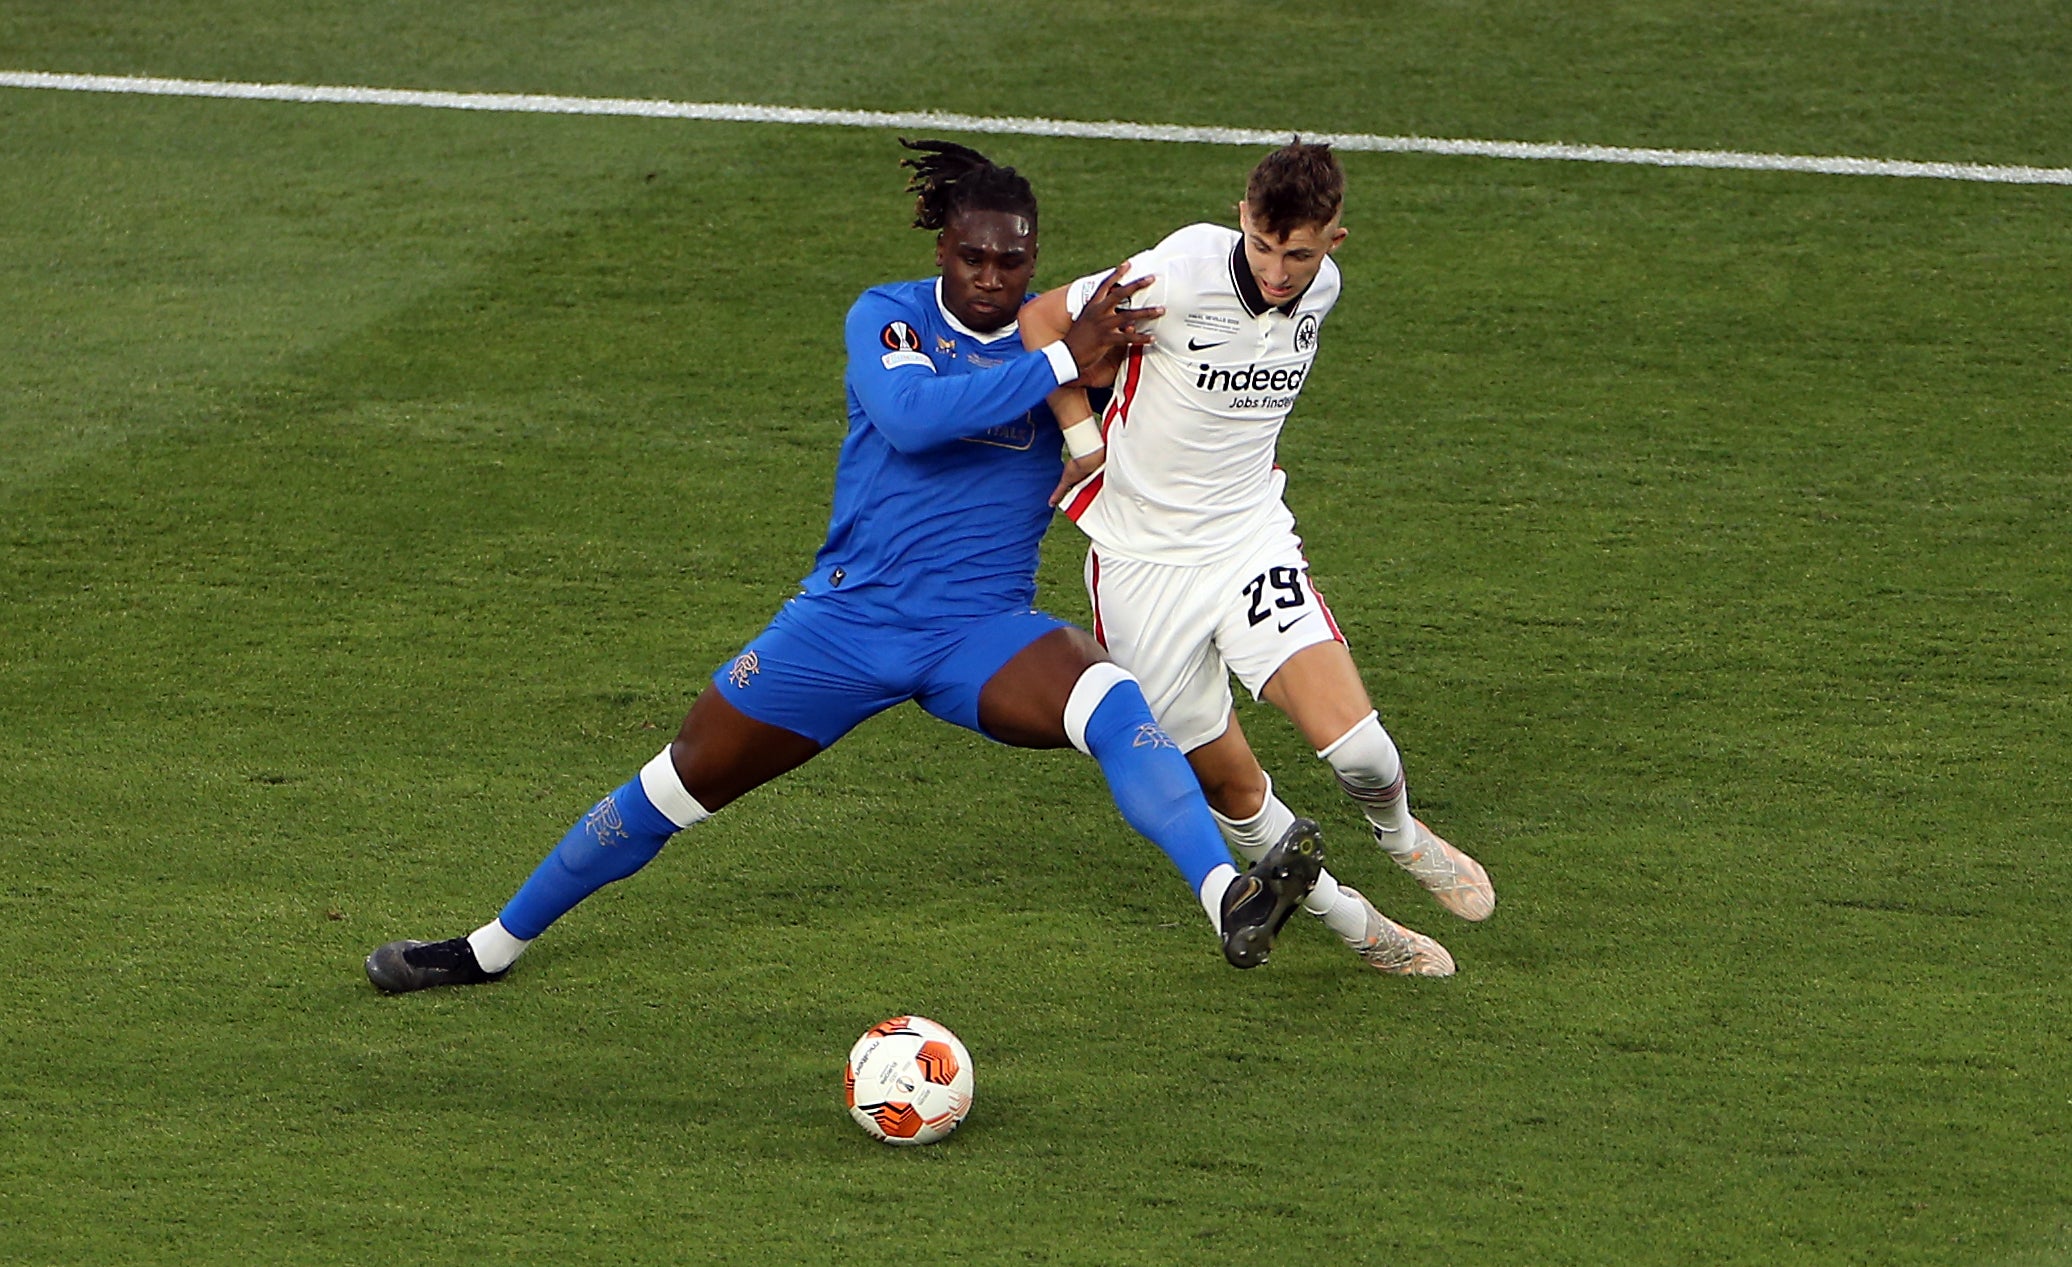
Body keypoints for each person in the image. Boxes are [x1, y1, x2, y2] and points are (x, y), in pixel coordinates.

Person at [365, 139, 1327, 993]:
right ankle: (488, 946)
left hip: (980, 632)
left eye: (1015, 258)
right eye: (974, 255)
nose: (994, 274)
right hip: (844, 625)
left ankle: (1230, 897)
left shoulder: (1080, 332)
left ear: (1035, 257)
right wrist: (1058, 367)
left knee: (1116, 701)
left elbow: (1194, 390)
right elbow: (911, 421)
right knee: (676, 784)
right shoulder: (893, 320)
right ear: (941, 250)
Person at [1016, 140, 1495, 977]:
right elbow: (1039, 319)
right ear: (1242, 216)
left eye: (1299, 254)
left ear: (1333, 243)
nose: (1279, 271)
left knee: (1360, 752)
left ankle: (1405, 837)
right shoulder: (1174, 272)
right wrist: (1083, 437)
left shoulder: (1325, 291)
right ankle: (1362, 927)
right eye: (1265, 247)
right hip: (1140, 568)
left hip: (1246, 542)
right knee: (1231, 788)